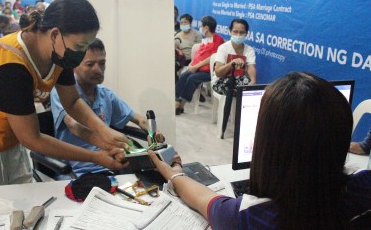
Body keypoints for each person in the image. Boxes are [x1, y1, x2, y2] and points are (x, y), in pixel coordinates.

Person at [150, 72, 371, 229]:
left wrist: (174, 172)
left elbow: (203, 198)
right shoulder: (363, 188)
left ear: (269, 145)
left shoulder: (252, 218)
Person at [0, 0, 131, 188]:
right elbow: (32, 138)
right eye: (79, 46)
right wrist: (95, 157)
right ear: (55, 34)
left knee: (21, 206)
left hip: (11, 144)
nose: (81, 54)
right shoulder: (10, 66)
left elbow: (72, 102)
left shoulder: (60, 54)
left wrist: (103, 132)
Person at [51, 38, 165, 177]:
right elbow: (74, 126)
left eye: (102, 63)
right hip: (78, 170)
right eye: (90, 64)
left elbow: (139, 120)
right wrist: (113, 144)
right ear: (75, 66)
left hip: (114, 164)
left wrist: (153, 132)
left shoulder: (106, 95)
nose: (98, 70)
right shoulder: (63, 92)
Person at [212, 19, 257, 137]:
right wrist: (231, 64)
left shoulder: (249, 50)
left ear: (247, 34)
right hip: (221, 82)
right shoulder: (223, 48)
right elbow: (218, 72)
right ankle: (223, 128)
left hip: (239, 82)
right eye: (235, 31)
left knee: (249, 91)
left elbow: (251, 68)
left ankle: (247, 128)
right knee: (235, 88)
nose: (238, 35)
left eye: (242, 32)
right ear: (230, 31)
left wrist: (252, 81)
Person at [175, 16, 224, 115]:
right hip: (199, 68)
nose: (200, 28)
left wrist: (196, 67)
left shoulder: (217, 39)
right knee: (184, 76)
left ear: (206, 28)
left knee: (192, 78)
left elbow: (212, 58)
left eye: (201, 26)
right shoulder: (205, 39)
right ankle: (177, 101)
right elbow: (199, 55)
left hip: (210, 71)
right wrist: (192, 65)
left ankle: (181, 105)